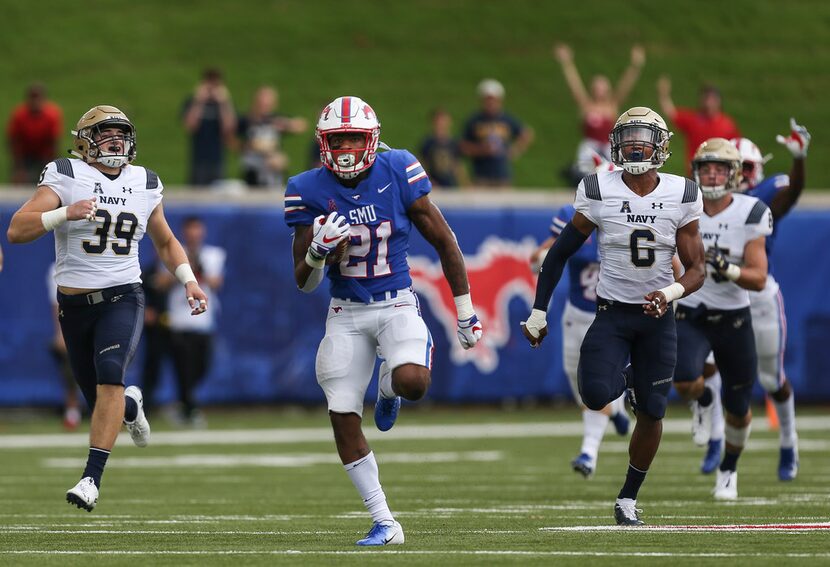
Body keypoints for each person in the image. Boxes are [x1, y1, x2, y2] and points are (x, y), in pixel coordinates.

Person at [284, 95, 483, 545]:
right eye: (339, 138)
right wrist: (317, 253)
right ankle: (384, 520)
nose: (349, 146)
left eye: (355, 136)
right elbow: (304, 283)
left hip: (395, 302)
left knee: (413, 381)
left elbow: (445, 240)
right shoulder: (305, 188)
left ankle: (388, 387)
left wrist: (465, 311)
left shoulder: (399, 169)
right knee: (342, 414)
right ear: (323, 143)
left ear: (372, 139)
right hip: (345, 313)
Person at [6, 105, 209, 512]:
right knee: (101, 399)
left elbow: (166, 241)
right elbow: (17, 229)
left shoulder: (145, 181)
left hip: (123, 295)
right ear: (84, 141)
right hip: (74, 304)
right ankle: (131, 406)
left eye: (120, 132)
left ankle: (90, 479)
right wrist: (64, 212)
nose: (114, 139)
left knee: (111, 377)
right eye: (104, 133)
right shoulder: (65, 173)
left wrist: (188, 279)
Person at [521, 106, 705, 525]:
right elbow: (558, 254)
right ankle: (630, 383)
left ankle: (627, 497)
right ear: (615, 142)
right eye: (628, 136)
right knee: (594, 394)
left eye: (644, 137)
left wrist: (670, 292)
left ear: (661, 146)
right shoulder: (598, 189)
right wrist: (538, 310)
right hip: (613, 313)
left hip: (658, 317)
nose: (635, 144)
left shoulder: (682, 192)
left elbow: (697, 269)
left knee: (654, 412)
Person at [672, 138, 772, 500]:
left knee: (740, 407)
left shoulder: (751, 210)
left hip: (733, 318)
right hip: (693, 312)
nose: (711, 175)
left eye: (719, 168)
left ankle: (729, 467)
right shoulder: (683, 204)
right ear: (695, 171)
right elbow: (671, 256)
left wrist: (725, 267)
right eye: (705, 168)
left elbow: (759, 277)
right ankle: (701, 401)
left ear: (733, 173)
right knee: (684, 380)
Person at [724, 120, 809, 481]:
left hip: (758, 296)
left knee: (772, 378)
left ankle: (789, 443)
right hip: (721, 297)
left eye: (745, 167)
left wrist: (799, 160)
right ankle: (716, 442)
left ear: (756, 170)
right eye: (733, 167)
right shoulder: (705, 198)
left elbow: (791, 194)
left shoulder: (765, 195)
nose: (739, 174)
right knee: (710, 372)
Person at [530, 190, 630, 479]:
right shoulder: (575, 215)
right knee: (580, 384)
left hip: (612, 316)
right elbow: (537, 258)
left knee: (596, 387)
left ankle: (589, 452)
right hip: (577, 316)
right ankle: (617, 410)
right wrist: (545, 256)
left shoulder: (632, 218)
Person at [155, 216, 225, 427]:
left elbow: (216, 283)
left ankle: (181, 404)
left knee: (202, 366)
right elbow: (160, 282)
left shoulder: (213, 254)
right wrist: (184, 272)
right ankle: (190, 409)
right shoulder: (174, 252)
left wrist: (199, 268)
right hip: (179, 320)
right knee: (183, 370)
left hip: (204, 322)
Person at [553, 44, 645, 182]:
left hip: (608, 147)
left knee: (615, 169)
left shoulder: (612, 106)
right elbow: (575, 86)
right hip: (589, 147)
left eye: (602, 87)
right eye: (597, 87)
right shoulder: (587, 106)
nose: (599, 91)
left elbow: (625, 86)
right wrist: (567, 62)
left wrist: (635, 65)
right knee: (584, 170)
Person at [459, 79, 534, 187]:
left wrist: (514, 150)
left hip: (502, 176)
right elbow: (463, 146)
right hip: (481, 176)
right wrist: (481, 150)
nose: (490, 103)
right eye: (487, 99)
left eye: (493, 99)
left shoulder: (506, 119)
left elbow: (526, 133)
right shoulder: (475, 121)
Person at [657, 79, 740, 171]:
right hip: (695, 172)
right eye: (706, 98)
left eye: (712, 99)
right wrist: (664, 95)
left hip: (718, 174)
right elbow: (672, 113)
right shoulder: (694, 120)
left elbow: (736, 149)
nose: (708, 103)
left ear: (718, 101)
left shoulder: (727, 125)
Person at [237, 86, 307, 188]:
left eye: (268, 102)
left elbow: (301, 125)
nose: (265, 105)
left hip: (274, 175)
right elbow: (231, 139)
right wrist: (251, 145)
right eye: (262, 101)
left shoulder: (275, 120)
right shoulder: (247, 120)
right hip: (253, 174)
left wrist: (285, 124)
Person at [182, 68, 237, 186]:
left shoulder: (223, 104)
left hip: (217, 159)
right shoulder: (192, 102)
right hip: (198, 159)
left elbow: (229, 128)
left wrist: (224, 102)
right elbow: (190, 126)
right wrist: (198, 101)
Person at [47, 262, 82, 430]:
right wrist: (60, 333)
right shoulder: (57, 268)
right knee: (70, 371)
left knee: (106, 367)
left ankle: (114, 410)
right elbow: (57, 304)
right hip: (73, 323)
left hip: (98, 322)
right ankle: (72, 410)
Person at [6, 83, 63, 184]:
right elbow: (14, 140)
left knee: (48, 180)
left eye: (38, 97)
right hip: (24, 153)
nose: (35, 101)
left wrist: (52, 164)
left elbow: (53, 141)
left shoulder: (52, 115)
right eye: (32, 97)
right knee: (20, 180)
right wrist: (19, 167)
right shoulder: (19, 115)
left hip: (44, 153)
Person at [419, 108, 467, 189]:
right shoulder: (428, 143)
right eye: (438, 121)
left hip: (451, 185)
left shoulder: (453, 143)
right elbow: (422, 164)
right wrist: (428, 180)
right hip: (435, 186)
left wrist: (465, 184)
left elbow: (458, 165)